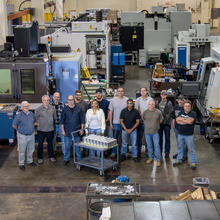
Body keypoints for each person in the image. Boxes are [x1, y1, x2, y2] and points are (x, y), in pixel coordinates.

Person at [173, 100, 197, 170]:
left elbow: (190, 122)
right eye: (185, 106)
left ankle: (193, 162)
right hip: (180, 134)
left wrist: (182, 120)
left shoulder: (193, 113)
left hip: (189, 135)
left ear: (190, 107)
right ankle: (179, 159)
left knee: (191, 149)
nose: (187, 107)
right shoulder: (181, 112)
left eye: (188, 106)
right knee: (180, 148)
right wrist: (186, 121)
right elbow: (177, 120)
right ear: (183, 107)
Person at [61, 95, 85, 165]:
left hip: (76, 131)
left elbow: (82, 120)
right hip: (67, 131)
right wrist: (62, 130)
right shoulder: (64, 109)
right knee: (67, 146)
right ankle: (66, 159)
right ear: (67, 100)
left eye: (71, 100)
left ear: (74, 100)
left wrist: (82, 129)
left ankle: (79, 159)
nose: (70, 101)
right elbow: (62, 121)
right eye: (69, 100)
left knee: (77, 147)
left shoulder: (78, 109)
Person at [12, 101, 36, 170]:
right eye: (25, 106)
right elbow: (14, 125)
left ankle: (30, 161)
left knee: (31, 149)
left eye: (27, 106)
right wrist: (20, 130)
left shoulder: (31, 114)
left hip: (31, 135)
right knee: (22, 150)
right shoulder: (18, 115)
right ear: (22, 107)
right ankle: (21, 163)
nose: (26, 107)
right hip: (22, 136)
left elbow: (33, 122)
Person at [35, 95, 56, 164]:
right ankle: (40, 158)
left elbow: (54, 118)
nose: (46, 101)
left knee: (50, 144)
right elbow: (36, 118)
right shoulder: (38, 109)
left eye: (47, 100)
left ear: (49, 101)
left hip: (50, 129)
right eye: (45, 100)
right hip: (41, 130)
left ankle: (51, 156)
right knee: (40, 144)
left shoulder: (53, 108)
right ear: (42, 101)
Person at [143, 100, 163, 167]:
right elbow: (144, 120)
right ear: (148, 105)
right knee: (149, 146)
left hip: (155, 132)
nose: (151, 105)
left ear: (154, 105)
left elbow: (160, 120)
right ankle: (150, 158)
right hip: (147, 132)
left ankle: (158, 160)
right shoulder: (145, 112)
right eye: (150, 104)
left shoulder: (158, 112)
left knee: (157, 146)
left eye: (152, 104)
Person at [109, 87, 128, 157]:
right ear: (117, 92)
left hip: (125, 123)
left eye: (122, 91)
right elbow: (110, 112)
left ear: (123, 92)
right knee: (115, 138)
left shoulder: (126, 100)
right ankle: (114, 152)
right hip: (116, 122)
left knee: (124, 139)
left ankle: (124, 153)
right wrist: (111, 123)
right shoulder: (113, 100)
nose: (120, 92)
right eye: (119, 91)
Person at [135, 87, 153, 158]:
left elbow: (152, 110)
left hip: (148, 122)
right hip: (140, 122)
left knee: (148, 137)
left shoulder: (150, 99)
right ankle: (138, 151)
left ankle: (148, 151)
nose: (143, 92)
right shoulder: (138, 100)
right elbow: (136, 111)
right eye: (141, 91)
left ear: (147, 91)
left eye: (144, 91)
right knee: (139, 137)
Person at [156, 90, 173, 159]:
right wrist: (159, 120)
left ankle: (166, 153)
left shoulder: (169, 103)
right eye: (162, 94)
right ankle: (159, 152)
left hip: (166, 124)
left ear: (166, 95)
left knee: (167, 138)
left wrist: (164, 120)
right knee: (159, 138)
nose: (163, 96)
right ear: (160, 95)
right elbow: (156, 112)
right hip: (159, 124)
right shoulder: (157, 102)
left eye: (165, 94)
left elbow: (170, 113)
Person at [171, 95, 188, 160]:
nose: (180, 101)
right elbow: (173, 116)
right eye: (179, 100)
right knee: (178, 142)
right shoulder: (175, 107)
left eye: (181, 100)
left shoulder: (186, 108)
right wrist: (173, 124)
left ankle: (185, 155)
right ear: (177, 100)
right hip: (176, 128)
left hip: (184, 128)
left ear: (184, 101)